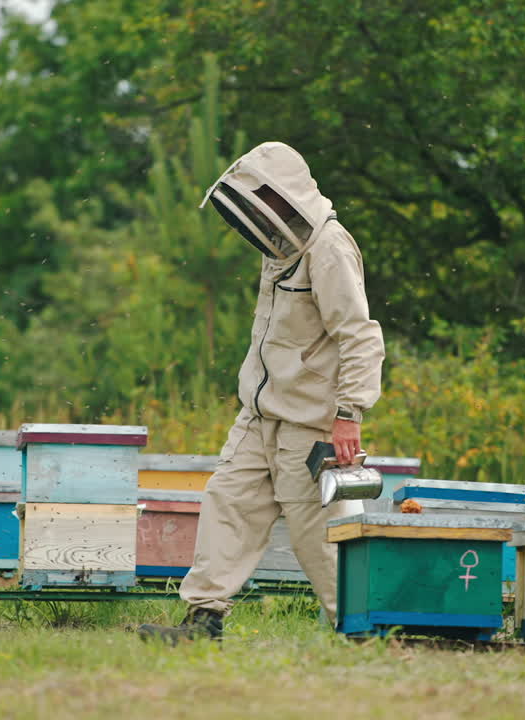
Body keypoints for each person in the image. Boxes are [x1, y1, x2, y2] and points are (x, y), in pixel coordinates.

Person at [138, 141, 385, 643]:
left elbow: (359, 334)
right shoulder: (280, 254)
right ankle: (202, 622)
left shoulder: (330, 248)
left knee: (317, 536)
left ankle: (362, 630)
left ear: (285, 197)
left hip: (308, 423)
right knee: (226, 503)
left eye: (263, 204)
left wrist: (349, 414)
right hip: (258, 416)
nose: (258, 217)